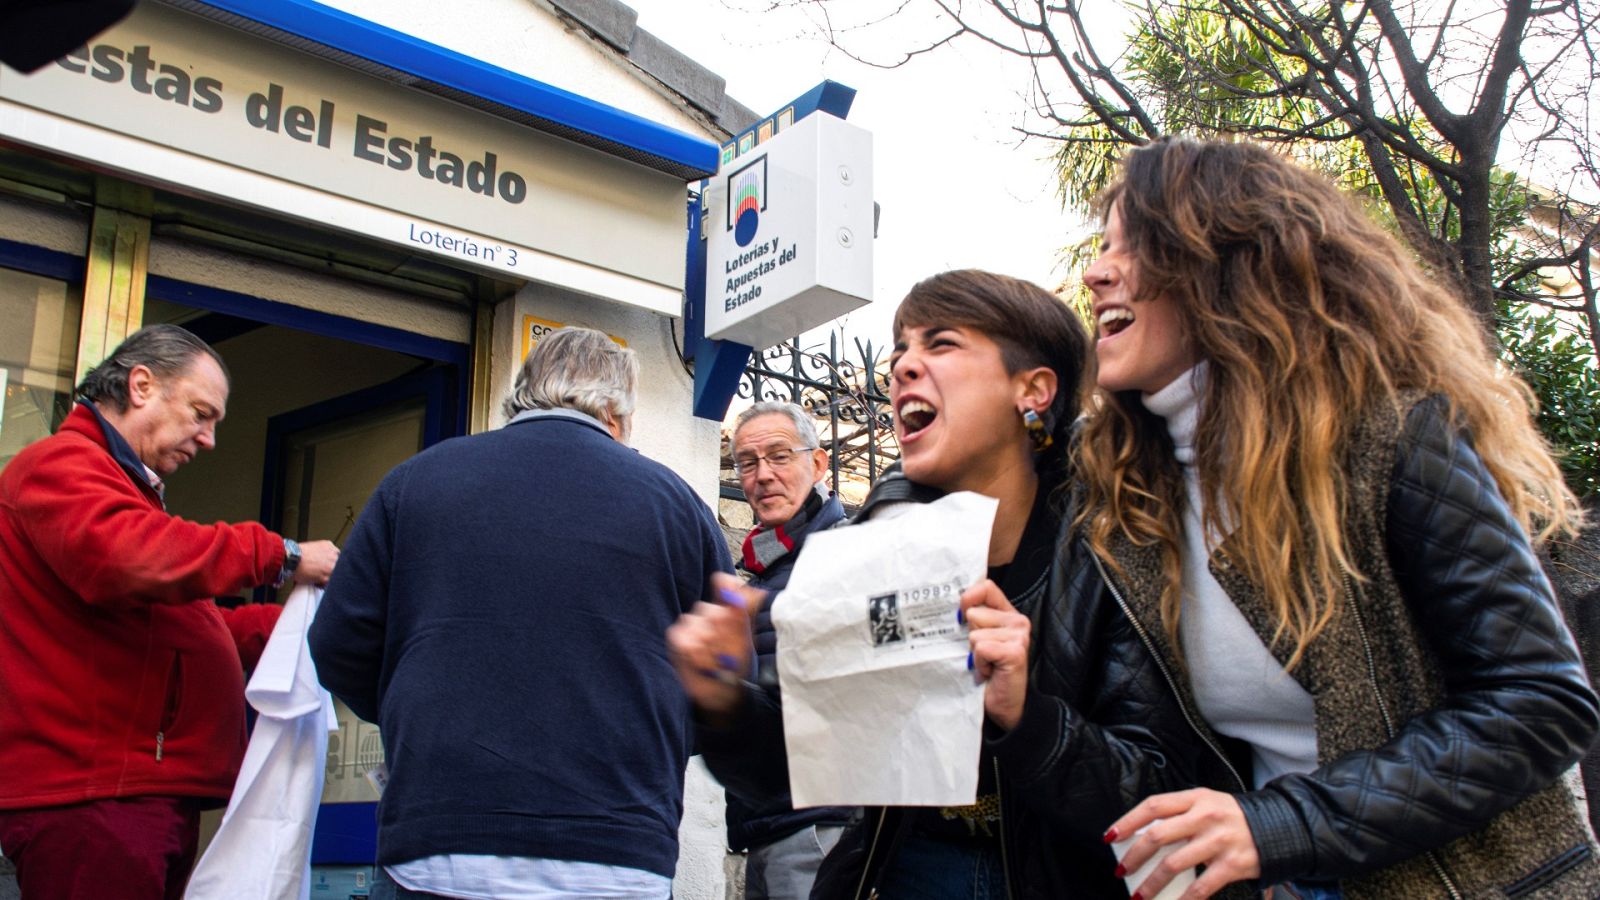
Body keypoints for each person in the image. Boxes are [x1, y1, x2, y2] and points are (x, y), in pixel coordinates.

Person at [1080, 137, 1600, 899]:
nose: (1095, 272)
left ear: (1228, 266)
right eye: (1101, 248)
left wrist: (1281, 825)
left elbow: (1541, 704)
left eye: (1135, 247)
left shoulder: (1394, 438)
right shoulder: (1132, 490)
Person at [669, 270, 1206, 899]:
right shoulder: (881, 545)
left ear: (1032, 390)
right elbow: (798, 770)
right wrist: (724, 700)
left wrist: (1024, 716)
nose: (902, 368)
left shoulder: (1120, 546)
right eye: (899, 351)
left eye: (941, 344)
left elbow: (1161, 793)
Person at [309, 327, 732, 900]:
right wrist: (651, 735)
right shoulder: (678, 506)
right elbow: (727, 676)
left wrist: (423, 715)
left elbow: (337, 643)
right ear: (616, 410)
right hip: (617, 851)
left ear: (524, 392)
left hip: (439, 846)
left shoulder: (416, 482)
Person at [0, 323, 339, 900]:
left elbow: (186, 628)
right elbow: (125, 557)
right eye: (201, 413)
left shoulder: (122, 490)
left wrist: (308, 623)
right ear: (140, 385)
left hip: (130, 792)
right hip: (96, 794)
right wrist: (281, 555)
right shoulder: (60, 465)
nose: (207, 439)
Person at [724, 401, 851, 900]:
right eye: (748, 463)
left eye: (779, 456)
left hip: (822, 827)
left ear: (818, 464)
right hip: (769, 825)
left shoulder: (845, 554)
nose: (763, 476)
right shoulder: (766, 566)